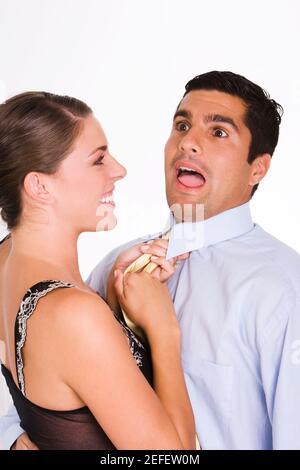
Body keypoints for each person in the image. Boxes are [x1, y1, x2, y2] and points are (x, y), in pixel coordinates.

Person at [3, 69, 300, 450]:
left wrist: (164, 331)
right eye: (181, 125)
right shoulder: (113, 267)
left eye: (218, 132)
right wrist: (12, 437)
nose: (189, 143)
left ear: (257, 168)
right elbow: (39, 374)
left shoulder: (283, 292)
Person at [0, 91, 195, 450]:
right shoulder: (74, 315)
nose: (118, 170)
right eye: (98, 160)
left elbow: (60, 377)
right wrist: (163, 328)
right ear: (39, 186)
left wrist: (111, 301)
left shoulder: (6, 258)